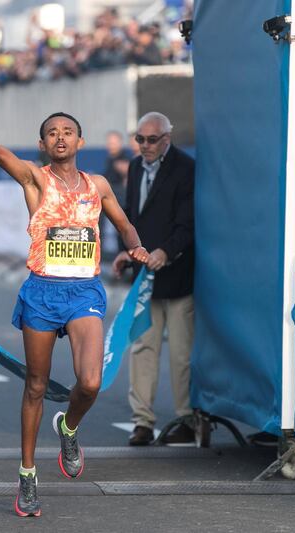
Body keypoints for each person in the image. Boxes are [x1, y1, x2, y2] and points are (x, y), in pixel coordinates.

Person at [0, 78, 149, 517]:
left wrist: (134, 244)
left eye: (67, 131)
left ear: (80, 141)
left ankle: (68, 426)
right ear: (42, 142)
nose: (60, 137)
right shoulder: (34, 179)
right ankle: (28, 475)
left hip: (83, 292)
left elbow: (124, 222)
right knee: (35, 385)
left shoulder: (99, 185)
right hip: (41, 291)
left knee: (89, 382)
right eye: (52, 132)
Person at [112, 112, 195, 446]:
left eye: (151, 140)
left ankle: (187, 419)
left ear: (167, 138)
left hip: (178, 277)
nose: (144, 146)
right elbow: (130, 218)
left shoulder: (186, 169)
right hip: (144, 277)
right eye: (140, 139)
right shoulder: (134, 168)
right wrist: (125, 251)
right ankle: (142, 421)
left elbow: (187, 224)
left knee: (181, 354)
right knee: (142, 348)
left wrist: (166, 251)